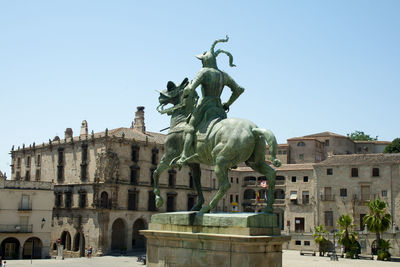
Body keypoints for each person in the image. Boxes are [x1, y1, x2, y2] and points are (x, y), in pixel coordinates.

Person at [173, 36, 244, 167]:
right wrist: (227, 103)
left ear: (205, 60)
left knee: (190, 127)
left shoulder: (204, 71)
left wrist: (186, 92)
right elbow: (239, 90)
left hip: (205, 105)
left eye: (201, 60)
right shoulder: (224, 75)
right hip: (219, 109)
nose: (201, 63)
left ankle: (184, 155)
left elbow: (190, 88)